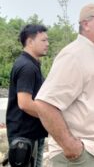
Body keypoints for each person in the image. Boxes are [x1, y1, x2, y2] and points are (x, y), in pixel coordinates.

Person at [34, 3, 94, 167]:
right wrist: (70, 145)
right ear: (85, 24)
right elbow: (44, 104)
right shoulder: (74, 55)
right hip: (83, 156)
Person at [6, 24, 49, 167]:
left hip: (33, 134)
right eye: (43, 40)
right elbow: (24, 103)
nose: (47, 44)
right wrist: (51, 116)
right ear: (30, 42)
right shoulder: (27, 67)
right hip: (25, 137)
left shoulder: (32, 64)